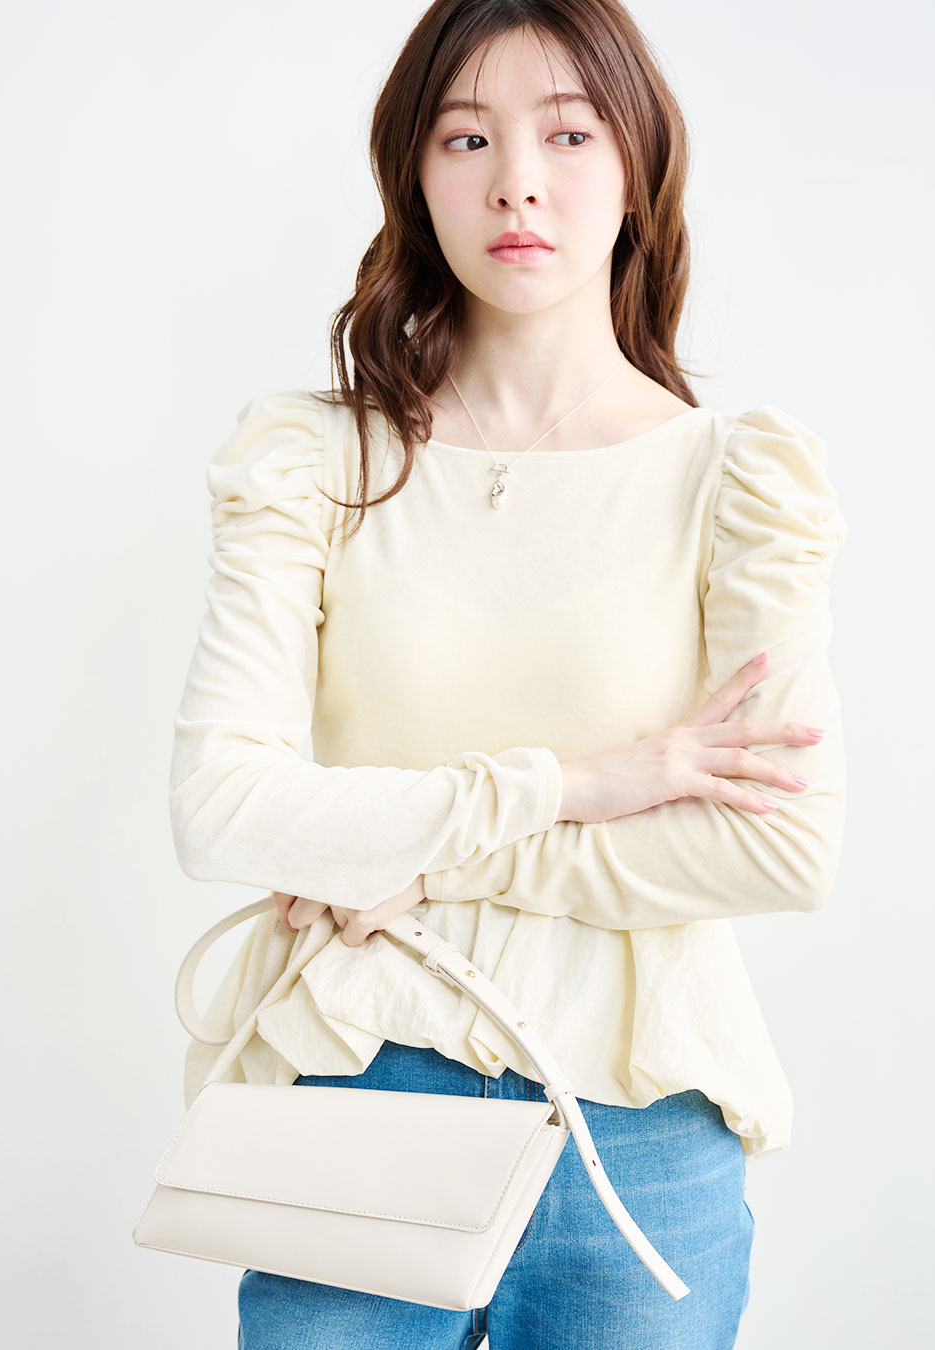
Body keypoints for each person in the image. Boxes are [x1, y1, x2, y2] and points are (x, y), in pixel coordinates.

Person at [169, 1, 849, 1345]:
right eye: (466, 136)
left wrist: (419, 864)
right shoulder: (315, 460)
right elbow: (219, 807)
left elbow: (780, 848)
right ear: (413, 176)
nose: (516, 182)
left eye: (569, 134)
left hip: (642, 1120)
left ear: (638, 167)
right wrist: (578, 786)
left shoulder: (737, 480)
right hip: (360, 1079)